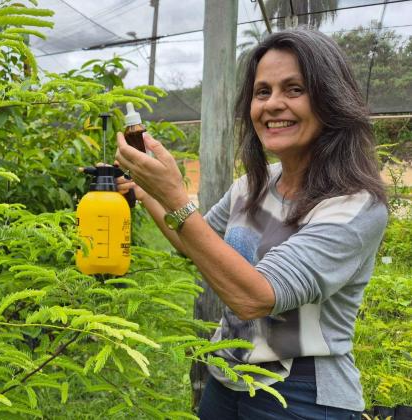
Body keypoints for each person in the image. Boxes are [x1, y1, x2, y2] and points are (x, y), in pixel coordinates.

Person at [115, 28, 388, 420]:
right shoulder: (253, 186)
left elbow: (255, 298)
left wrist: (175, 196)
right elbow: (193, 239)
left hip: (302, 394)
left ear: (331, 99)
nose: (273, 104)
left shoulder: (354, 207)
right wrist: (145, 192)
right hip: (228, 377)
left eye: (294, 89)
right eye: (263, 92)